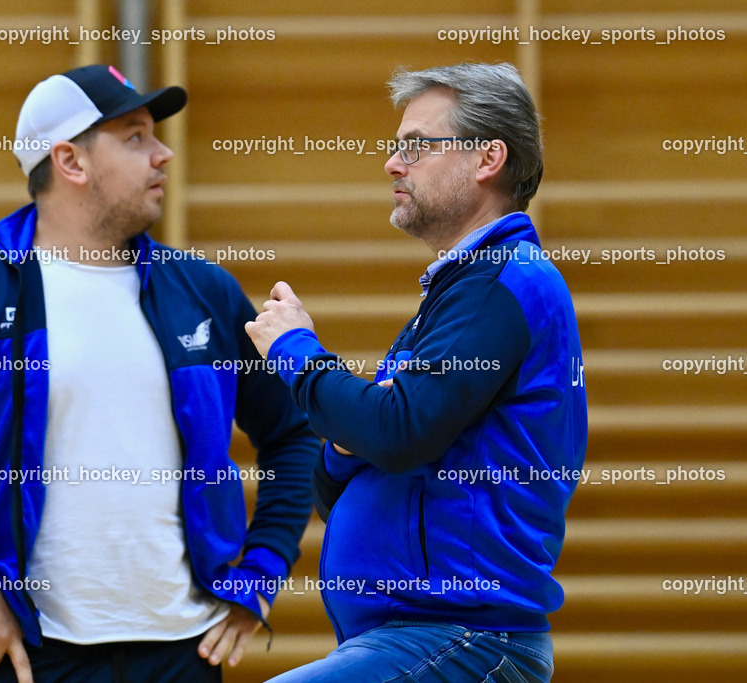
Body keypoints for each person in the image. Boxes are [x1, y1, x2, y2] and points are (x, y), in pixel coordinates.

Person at [0, 64, 320, 683]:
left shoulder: (203, 290)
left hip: (185, 656)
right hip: (26, 656)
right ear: (71, 161)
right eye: (136, 136)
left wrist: (263, 570)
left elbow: (294, 434)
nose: (164, 153)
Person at [245, 62, 587, 682]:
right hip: (415, 640)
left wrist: (295, 351)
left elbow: (398, 432)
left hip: (463, 639)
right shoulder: (463, 291)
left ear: (487, 159)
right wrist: (354, 432)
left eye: (415, 145)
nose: (392, 164)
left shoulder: (503, 282)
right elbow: (345, 479)